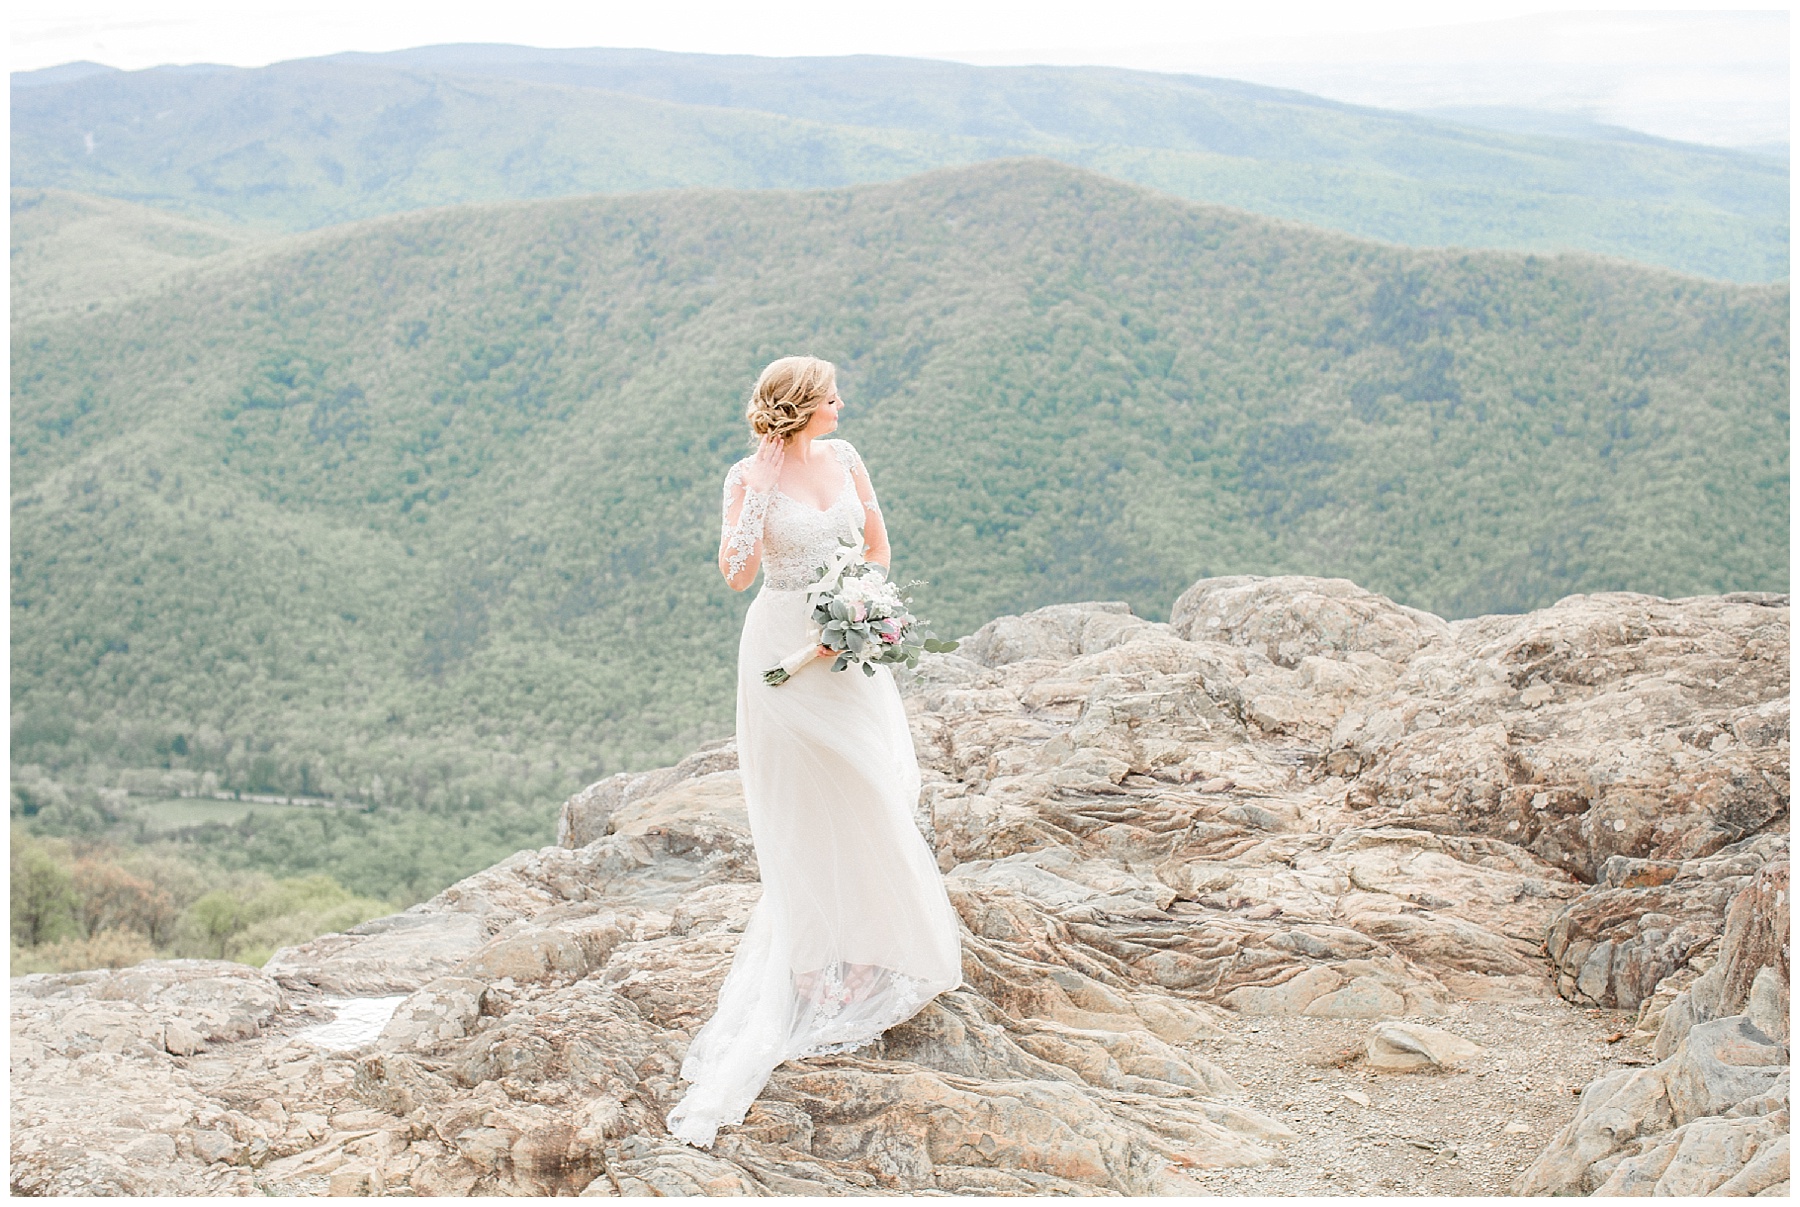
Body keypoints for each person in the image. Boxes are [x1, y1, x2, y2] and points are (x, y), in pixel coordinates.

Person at [664, 355, 963, 1149]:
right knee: (800, 805)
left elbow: (879, 546)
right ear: (799, 408)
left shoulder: (847, 456)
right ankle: (808, 961)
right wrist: (759, 490)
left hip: (842, 645)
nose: (843, 402)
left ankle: (868, 944)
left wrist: (854, 611)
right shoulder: (744, 476)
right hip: (777, 655)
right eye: (831, 394)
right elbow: (735, 573)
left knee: (871, 789)